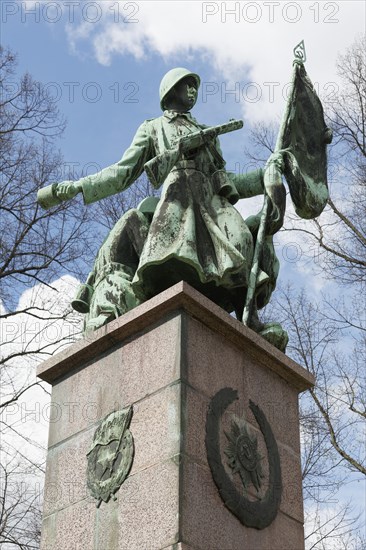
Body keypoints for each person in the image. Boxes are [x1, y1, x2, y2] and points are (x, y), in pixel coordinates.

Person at [38, 68, 287, 349]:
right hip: (179, 199)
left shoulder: (207, 133)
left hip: (213, 202)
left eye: (195, 87)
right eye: (187, 86)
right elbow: (122, 173)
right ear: (170, 91)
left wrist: (266, 174)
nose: (193, 91)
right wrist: (77, 187)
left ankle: (250, 318)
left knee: (241, 242)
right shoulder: (153, 127)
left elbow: (226, 180)